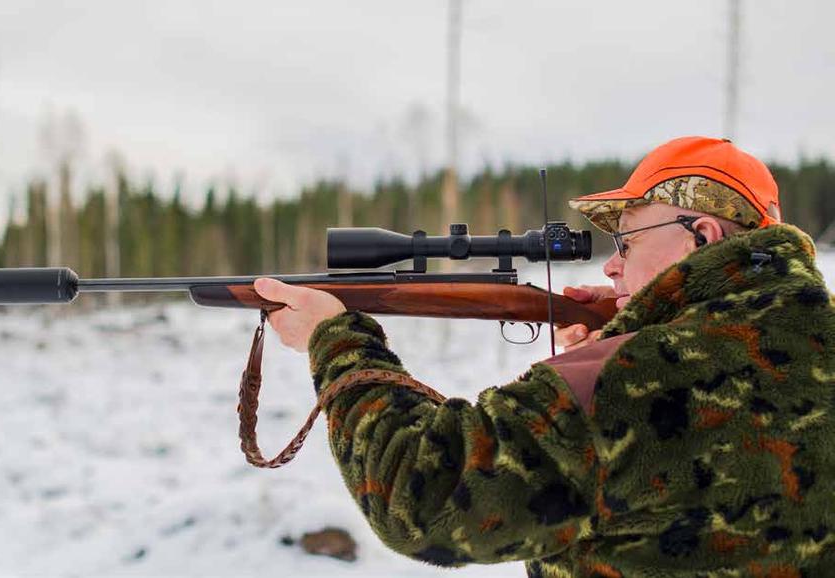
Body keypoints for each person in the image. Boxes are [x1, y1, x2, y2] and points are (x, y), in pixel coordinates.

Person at [252, 136, 834, 576]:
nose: (610, 265)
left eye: (627, 242)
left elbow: (419, 500)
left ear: (701, 237)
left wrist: (337, 341)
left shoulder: (631, 376)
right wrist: (640, 321)